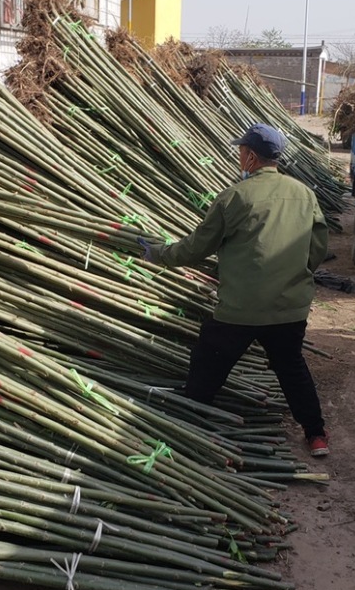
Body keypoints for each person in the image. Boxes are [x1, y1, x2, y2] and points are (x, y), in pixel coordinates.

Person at [139, 123, 330, 456]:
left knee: (208, 362)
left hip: (241, 308)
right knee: (291, 368)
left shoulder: (234, 197)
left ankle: (190, 422)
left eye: (241, 151)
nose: (239, 156)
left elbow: (195, 249)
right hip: (289, 308)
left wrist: (157, 254)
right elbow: (316, 248)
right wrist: (292, 277)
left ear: (251, 157)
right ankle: (316, 435)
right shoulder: (305, 195)